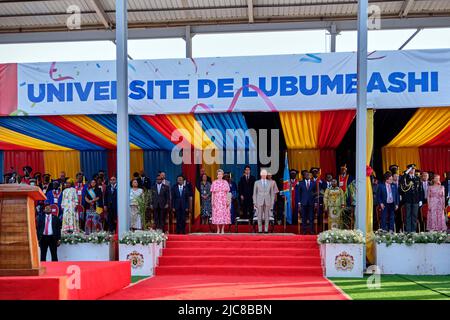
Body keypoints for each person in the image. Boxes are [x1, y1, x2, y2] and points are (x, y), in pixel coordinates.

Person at [399, 164, 422, 232]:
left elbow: (420, 190)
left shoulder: (417, 178)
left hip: (415, 200)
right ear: (408, 170)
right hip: (408, 199)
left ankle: (413, 231)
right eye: (411, 169)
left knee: (414, 216)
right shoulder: (405, 177)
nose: (412, 170)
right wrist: (406, 173)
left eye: (413, 169)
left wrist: (420, 199)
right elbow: (401, 180)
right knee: (408, 216)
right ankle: (408, 231)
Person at [253, 169, 275, 234]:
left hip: (267, 201)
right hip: (259, 201)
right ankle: (260, 230)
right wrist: (254, 202)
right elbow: (254, 193)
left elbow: (272, 193)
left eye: (265, 174)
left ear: (266, 175)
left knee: (267, 216)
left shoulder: (270, 183)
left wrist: (272, 202)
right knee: (259, 216)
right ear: (260, 175)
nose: (264, 175)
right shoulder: (256, 182)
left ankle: (266, 229)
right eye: (262, 174)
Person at [211, 169, 231, 234]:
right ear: (217, 175)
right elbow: (213, 193)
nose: (219, 175)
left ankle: (222, 229)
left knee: (223, 214)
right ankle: (218, 229)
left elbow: (228, 192)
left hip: (224, 200)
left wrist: (228, 201)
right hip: (216, 200)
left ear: (222, 175)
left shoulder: (225, 182)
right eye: (218, 174)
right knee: (217, 215)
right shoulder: (214, 182)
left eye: (221, 174)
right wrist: (212, 201)